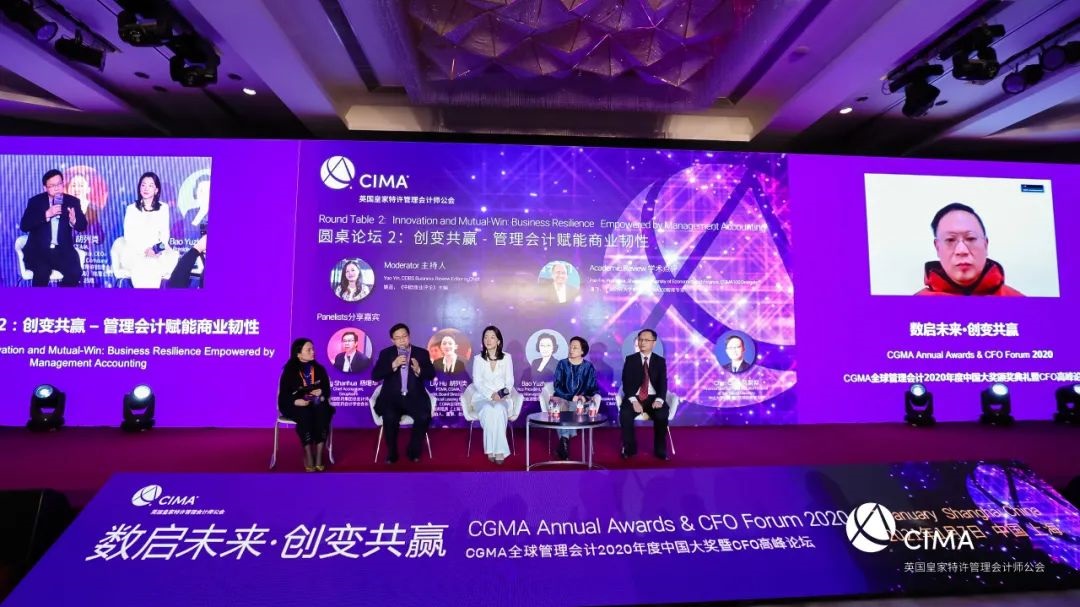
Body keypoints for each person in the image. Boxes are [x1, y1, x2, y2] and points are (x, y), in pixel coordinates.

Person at [916, 202, 1023, 296]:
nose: (962, 251)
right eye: (950, 240)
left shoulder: (1020, 303)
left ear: (985, 245)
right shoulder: (914, 307)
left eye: (971, 238)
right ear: (937, 248)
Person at [371, 323, 436, 463]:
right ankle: (392, 452)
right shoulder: (386, 354)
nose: (402, 340)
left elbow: (431, 374)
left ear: (409, 336)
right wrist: (393, 365)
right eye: (398, 338)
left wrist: (419, 370)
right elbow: (375, 375)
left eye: (404, 336)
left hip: (415, 399)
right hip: (392, 399)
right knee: (389, 417)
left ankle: (413, 450)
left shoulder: (421, 353)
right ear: (392, 340)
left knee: (424, 416)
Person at [19, 169, 88, 287]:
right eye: (52, 185)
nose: (57, 188)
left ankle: (60, 298)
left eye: (59, 184)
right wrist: (46, 214)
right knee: (42, 272)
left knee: (75, 272)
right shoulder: (35, 202)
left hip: (62, 252)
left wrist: (74, 220)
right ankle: (38, 299)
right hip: (38, 251)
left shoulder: (72, 201)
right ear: (45, 188)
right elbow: (24, 226)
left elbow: (83, 226)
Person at [277, 338, 334, 472]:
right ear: (298, 354)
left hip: (316, 403)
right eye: (308, 350)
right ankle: (308, 452)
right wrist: (295, 401)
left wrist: (321, 391)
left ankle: (319, 453)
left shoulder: (319, 369)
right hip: (295, 405)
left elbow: (327, 390)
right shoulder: (289, 371)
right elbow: (283, 395)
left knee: (324, 410)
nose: (313, 352)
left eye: (313, 349)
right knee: (305, 413)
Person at [121, 172, 179, 288]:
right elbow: (129, 236)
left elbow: (165, 236)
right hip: (135, 251)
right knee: (143, 265)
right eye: (143, 185)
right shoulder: (131, 209)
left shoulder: (163, 208)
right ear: (139, 188)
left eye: (150, 185)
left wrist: (155, 250)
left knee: (154, 264)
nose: (146, 188)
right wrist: (144, 250)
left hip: (157, 251)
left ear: (156, 190)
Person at [620, 329, 669, 460]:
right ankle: (629, 449)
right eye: (640, 339)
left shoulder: (660, 361)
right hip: (635, 397)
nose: (642, 342)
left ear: (654, 342)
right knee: (625, 414)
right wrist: (633, 401)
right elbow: (626, 382)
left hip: (653, 397)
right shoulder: (631, 360)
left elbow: (663, 383)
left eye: (646, 340)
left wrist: (659, 400)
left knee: (662, 414)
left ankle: (660, 450)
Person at [471, 326, 515, 464]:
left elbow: (510, 381)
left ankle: (498, 450)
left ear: (498, 341)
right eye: (486, 337)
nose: (488, 340)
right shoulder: (478, 359)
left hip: (502, 397)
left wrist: (500, 394)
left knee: (499, 409)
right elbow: (477, 382)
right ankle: (491, 450)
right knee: (489, 409)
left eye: (492, 337)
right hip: (482, 397)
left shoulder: (507, 358)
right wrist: (491, 395)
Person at [551, 336, 599, 460]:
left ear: (582, 351)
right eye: (570, 346)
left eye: (575, 347)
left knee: (575, 406)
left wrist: (584, 397)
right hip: (562, 397)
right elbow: (557, 386)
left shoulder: (588, 367)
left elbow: (592, 387)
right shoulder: (562, 364)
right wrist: (570, 396)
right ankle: (565, 441)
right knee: (562, 406)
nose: (571, 349)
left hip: (579, 401)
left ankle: (563, 443)